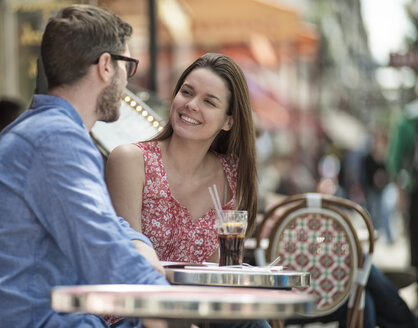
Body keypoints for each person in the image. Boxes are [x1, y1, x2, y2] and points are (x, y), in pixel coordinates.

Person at [0, 5, 168, 328]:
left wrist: (139, 242)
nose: (126, 81)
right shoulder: (56, 139)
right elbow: (107, 257)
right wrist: (170, 308)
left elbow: (105, 227)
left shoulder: (40, 131)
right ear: (106, 65)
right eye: (127, 66)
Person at [106, 53, 270, 328]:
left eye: (209, 101)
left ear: (228, 121)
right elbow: (130, 262)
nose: (191, 105)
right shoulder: (130, 160)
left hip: (194, 311)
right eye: (187, 92)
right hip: (133, 312)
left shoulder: (232, 178)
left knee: (250, 318)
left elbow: (218, 279)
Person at [386, 83, 418, 294]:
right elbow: (396, 162)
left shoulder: (406, 120)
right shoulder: (407, 121)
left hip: (414, 189)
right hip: (414, 189)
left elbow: (395, 161)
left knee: (415, 239)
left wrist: (400, 190)